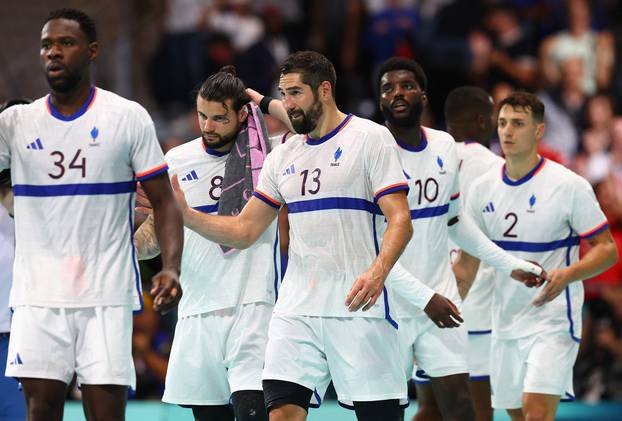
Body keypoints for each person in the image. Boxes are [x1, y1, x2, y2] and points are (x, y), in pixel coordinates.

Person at [164, 50, 463, 421]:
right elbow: (244, 231)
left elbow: (401, 219)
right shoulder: (283, 155)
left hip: (358, 309)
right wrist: (187, 217)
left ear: (324, 90)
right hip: (296, 312)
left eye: (295, 94)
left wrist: (379, 270)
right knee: (281, 415)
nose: (288, 104)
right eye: (282, 94)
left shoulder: (370, 138)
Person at [250, 58, 543, 421]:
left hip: (438, 300)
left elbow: (455, 221)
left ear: (423, 93)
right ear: (380, 100)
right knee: (402, 410)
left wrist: (510, 265)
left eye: (406, 86)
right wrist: (423, 297)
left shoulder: (443, 146)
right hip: (386, 305)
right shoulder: (371, 144)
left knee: (460, 408)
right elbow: (371, 246)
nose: (397, 94)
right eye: (387, 88)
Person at [0, 9, 183, 421]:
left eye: (66, 43)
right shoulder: (14, 124)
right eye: (47, 45)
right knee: (40, 410)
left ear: (93, 51)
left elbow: (165, 201)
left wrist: (171, 268)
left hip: (106, 295)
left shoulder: (126, 117)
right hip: (37, 297)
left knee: (105, 414)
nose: (54, 53)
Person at [453, 91, 619, 421]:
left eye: (518, 124)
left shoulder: (569, 186)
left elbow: (607, 249)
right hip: (504, 322)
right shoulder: (481, 189)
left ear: (539, 130)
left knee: (536, 415)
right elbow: (468, 264)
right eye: (502, 123)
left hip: (552, 319)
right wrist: (441, 305)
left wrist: (569, 274)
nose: (507, 132)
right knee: (517, 414)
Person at [135, 67, 276, 421]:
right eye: (202, 115)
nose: (208, 126)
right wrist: (118, 246)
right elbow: (155, 239)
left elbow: (312, 127)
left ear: (242, 114)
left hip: (254, 307)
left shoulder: (270, 156)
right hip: (198, 310)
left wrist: (264, 102)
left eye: (219, 118)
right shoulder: (176, 161)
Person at [443, 86, 503, 421]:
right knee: (481, 409)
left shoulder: (428, 159)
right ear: (482, 120)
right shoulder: (496, 167)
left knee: (432, 407)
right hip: (480, 300)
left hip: (432, 295)